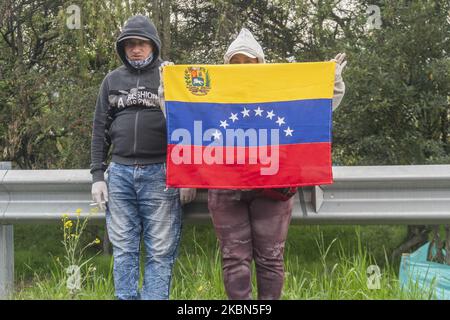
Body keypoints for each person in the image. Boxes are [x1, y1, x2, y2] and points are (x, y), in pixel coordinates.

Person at [206, 28, 347, 300]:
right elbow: (185, 117)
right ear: (227, 66)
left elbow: (314, 112)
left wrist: (331, 84)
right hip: (226, 186)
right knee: (234, 257)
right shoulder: (214, 95)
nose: (243, 68)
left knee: (270, 257)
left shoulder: (281, 94)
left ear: (261, 64)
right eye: (236, 63)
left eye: (249, 62)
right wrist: (170, 90)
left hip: (273, 185)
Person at [90, 15, 195, 300]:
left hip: (161, 173)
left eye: (142, 43)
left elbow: (188, 125)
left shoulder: (170, 76)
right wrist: (98, 176)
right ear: (123, 48)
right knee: (124, 249)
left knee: (160, 251)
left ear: (153, 46)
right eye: (130, 44)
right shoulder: (111, 80)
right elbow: (99, 129)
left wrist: (187, 174)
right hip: (120, 174)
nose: (136, 49)